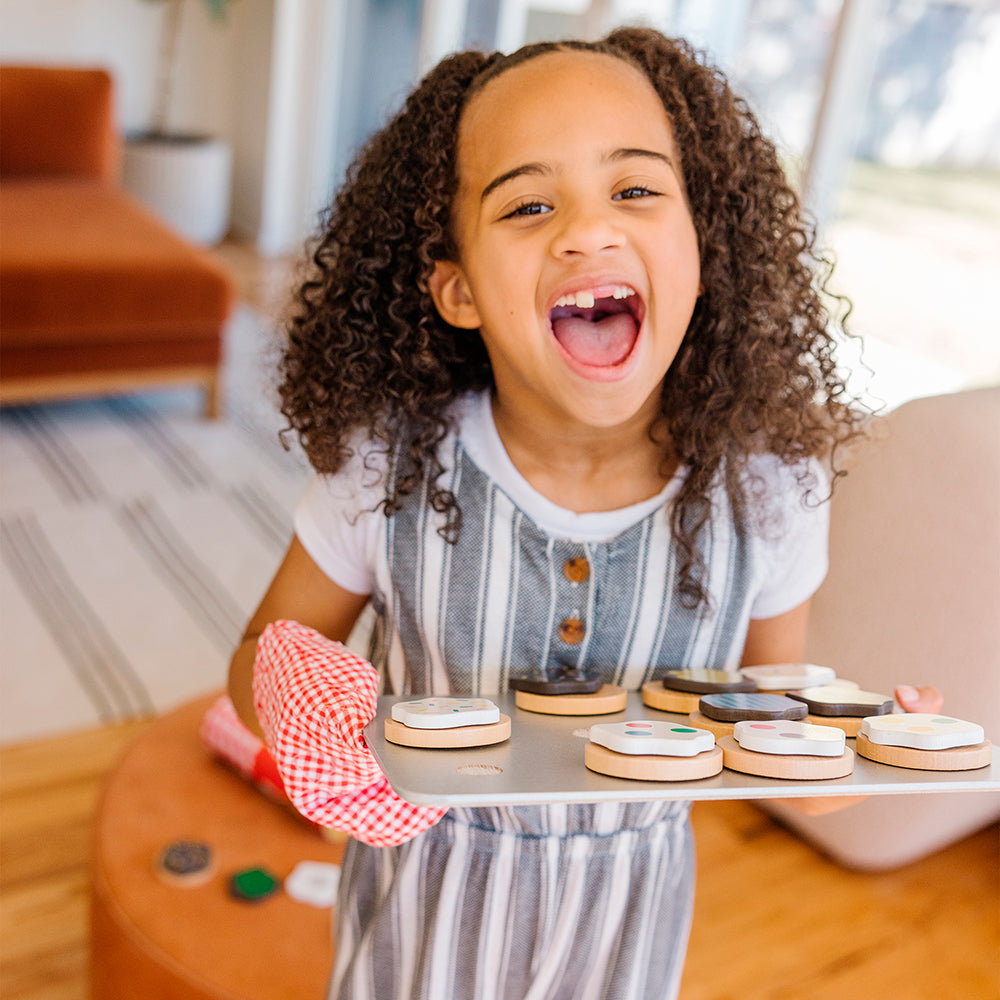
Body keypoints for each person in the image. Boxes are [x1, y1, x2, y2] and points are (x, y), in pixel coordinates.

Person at [228, 27, 938, 1000]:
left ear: (703, 248)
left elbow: (771, 732)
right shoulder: (386, 464)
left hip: (629, 930)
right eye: (527, 203)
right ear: (458, 288)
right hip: (418, 921)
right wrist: (299, 701)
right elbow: (261, 651)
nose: (587, 231)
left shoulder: (767, 490)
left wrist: (867, 747)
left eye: (636, 189)